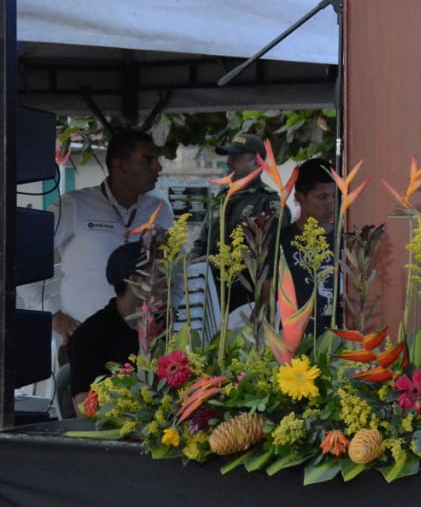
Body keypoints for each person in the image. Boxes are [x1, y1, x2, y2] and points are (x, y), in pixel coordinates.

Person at [18, 129, 173, 345]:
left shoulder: (160, 208)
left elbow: (172, 268)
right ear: (121, 166)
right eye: (148, 160)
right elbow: (23, 260)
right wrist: (51, 315)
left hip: (145, 343)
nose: (158, 167)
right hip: (84, 341)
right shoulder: (74, 206)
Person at [67, 241, 155, 408]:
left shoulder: (166, 324)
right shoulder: (89, 335)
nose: (168, 282)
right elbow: (85, 407)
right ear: (135, 280)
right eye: (160, 274)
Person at [195, 132, 282, 256]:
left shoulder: (268, 202)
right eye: (229, 156)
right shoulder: (222, 198)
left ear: (256, 163)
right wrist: (192, 258)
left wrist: (214, 262)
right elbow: (202, 243)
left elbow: (267, 251)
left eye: (235, 156)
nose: (228, 161)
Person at [278, 159, 340, 330]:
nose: (331, 203)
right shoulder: (280, 242)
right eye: (322, 197)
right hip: (296, 339)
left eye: (335, 196)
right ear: (299, 198)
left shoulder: (346, 239)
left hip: (340, 340)